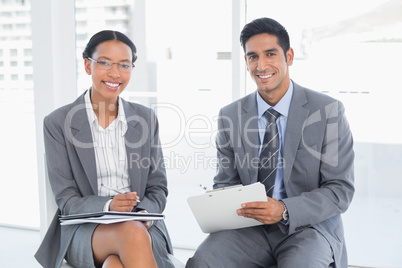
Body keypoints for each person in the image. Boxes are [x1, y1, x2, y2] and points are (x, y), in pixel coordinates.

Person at [186, 17, 354, 268]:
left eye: (270, 54)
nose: (261, 65)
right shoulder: (230, 115)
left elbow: (340, 190)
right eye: (253, 57)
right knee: (204, 262)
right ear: (246, 62)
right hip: (248, 229)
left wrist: (284, 209)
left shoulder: (327, 111)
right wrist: (218, 203)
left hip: (307, 228)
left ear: (289, 56)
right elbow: (226, 182)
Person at [35, 30, 175, 268]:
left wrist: (143, 214)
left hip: (142, 226)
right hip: (85, 229)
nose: (114, 73)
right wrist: (109, 205)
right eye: (105, 63)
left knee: (114, 264)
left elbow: (158, 187)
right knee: (131, 234)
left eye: (124, 65)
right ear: (88, 66)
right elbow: (66, 199)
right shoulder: (58, 122)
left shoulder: (146, 119)